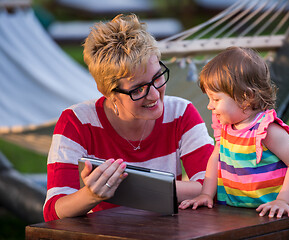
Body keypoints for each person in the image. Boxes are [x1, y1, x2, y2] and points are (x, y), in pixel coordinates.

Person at [43, 14, 214, 222]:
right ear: (109, 93)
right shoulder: (76, 122)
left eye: (157, 77)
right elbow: (53, 212)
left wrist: (132, 186)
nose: (154, 95)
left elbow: (213, 187)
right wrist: (91, 196)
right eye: (138, 89)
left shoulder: (181, 112)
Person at [179, 47, 289, 218]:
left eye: (216, 99)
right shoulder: (225, 128)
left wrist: (283, 201)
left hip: (273, 214)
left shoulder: (266, 130)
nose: (210, 105)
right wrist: (206, 194)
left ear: (246, 98)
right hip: (235, 213)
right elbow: (215, 159)